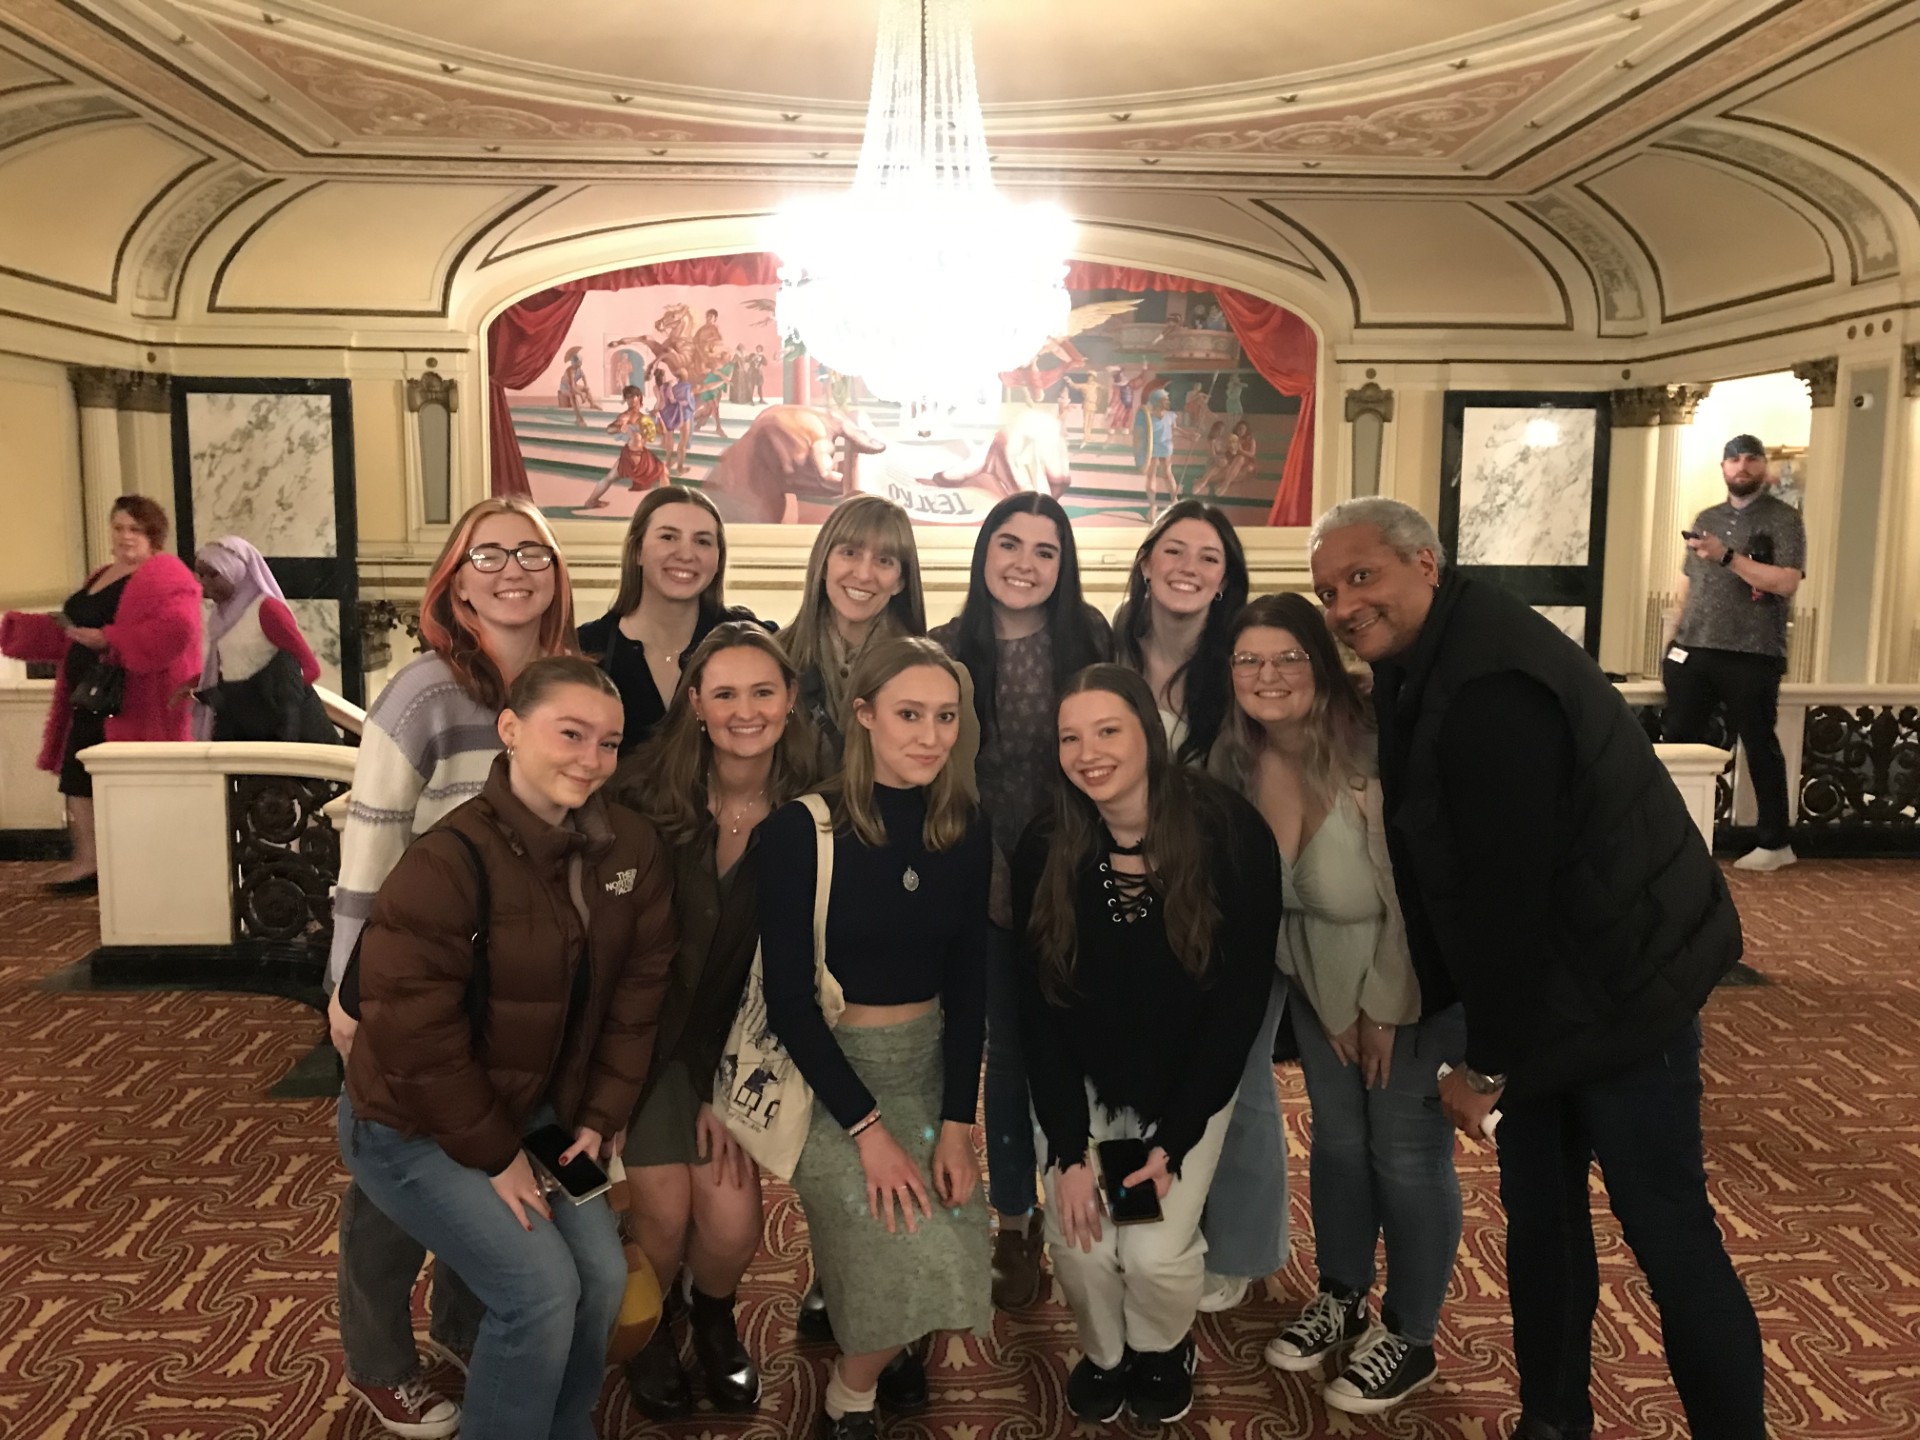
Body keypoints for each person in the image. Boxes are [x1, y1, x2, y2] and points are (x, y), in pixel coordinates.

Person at [1308, 497, 1762, 1440]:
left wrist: (1484, 1068)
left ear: (1424, 564)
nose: (1345, 604)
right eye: (1327, 591)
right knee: (1544, 1232)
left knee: (1669, 1235)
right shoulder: (1424, 658)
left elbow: (1506, 898)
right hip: (1554, 993)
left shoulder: (1489, 686)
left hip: (1625, 993)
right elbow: (1447, 873)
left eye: (1362, 577)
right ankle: (1551, 1423)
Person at [338, 654, 676, 1440]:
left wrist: (598, 1117)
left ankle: (562, 1426)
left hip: (544, 1114)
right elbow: (413, 1038)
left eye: (608, 742)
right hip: (411, 1123)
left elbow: (637, 999)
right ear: (512, 730)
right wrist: (498, 1156)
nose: (590, 759)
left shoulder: (630, 846)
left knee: (598, 1275)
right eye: (570, 734)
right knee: (540, 1290)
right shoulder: (446, 861)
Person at [326, 495, 577, 1438]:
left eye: (532, 555)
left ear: (556, 575)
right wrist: (350, 994)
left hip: (512, 988)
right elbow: (371, 854)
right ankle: (378, 1362)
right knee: (394, 1183)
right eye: (489, 555)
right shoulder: (427, 693)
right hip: (416, 981)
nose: (512, 570)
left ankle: (463, 1326)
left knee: (486, 1152)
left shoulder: (567, 682)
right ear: (455, 578)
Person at [1213, 593, 1462, 1416]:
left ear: (1320, 662)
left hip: (1411, 982)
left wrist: (1385, 1006)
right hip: (1318, 984)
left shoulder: (1373, 747)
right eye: (1249, 659)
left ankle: (1412, 1333)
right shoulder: (1238, 760)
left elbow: (1416, 895)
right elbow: (1263, 907)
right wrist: (1322, 1007)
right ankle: (1343, 1295)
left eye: (1288, 657)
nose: (1268, 675)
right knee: (1340, 1145)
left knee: (1406, 1153)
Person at [1013, 664, 1281, 1427]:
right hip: (1091, 1085)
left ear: (1148, 736)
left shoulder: (1229, 834)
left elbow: (1237, 1009)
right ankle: (1106, 1355)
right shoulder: (1048, 843)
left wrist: (1173, 1138)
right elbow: (1040, 1013)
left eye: (1108, 731)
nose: (1088, 752)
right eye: (1071, 736)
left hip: (1183, 1089)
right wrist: (1066, 1151)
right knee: (1085, 1244)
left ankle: (1162, 1348)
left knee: (1154, 1254)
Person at [759, 637, 992, 1440]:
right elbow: (788, 1002)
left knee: (952, 1227)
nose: (930, 736)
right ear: (862, 716)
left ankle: (884, 1338)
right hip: (828, 1078)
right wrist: (867, 1131)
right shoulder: (802, 832)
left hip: (924, 1067)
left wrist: (958, 1123)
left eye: (945, 717)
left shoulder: (963, 824)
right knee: (902, 1232)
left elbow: (969, 988)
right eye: (908, 715)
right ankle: (849, 1397)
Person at [608, 623, 819, 1420]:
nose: (745, 710)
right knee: (662, 1213)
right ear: (694, 703)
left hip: (744, 1049)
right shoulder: (639, 799)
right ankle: (651, 1327)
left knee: (731, 1227)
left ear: (791, 700)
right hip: (644, 1045)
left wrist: (731, 1086)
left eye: (763, 691)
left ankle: (713, 1317)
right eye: (724, 692)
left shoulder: (816, 811)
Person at [930, 494, 1112, 1311]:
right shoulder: (942, 649)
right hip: (976, 882)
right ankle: (1015, 1218)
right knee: (1003, 1056)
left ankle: (1108, 1195)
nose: (1025, 564)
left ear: (1064, 565)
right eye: (1010, 544)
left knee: (1088, 1041)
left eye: (1046, 550)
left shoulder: (1091, 640)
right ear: (982, 552)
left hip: (1080, 872)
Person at [2, 495, 201, 895]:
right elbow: (73, 629)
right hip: (90, 695)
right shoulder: (102, 575)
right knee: (77, 777)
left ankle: (134, 863)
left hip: (134, 700)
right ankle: (87, 861)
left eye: (135, 529)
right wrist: (19, 630)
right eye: (119, 527)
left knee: (125, 782)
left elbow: (176, 632)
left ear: (153, 535)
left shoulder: (167, 575)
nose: (125, 536)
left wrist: (108, 638)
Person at [1663, 433, 1807, 873]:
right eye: (1734, 460)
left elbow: (1785, 581)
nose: (1741, 467)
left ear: (1762, 467)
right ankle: (1670, 834)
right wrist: (1671, 640)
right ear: (1722, 467)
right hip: (1694, 647)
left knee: (1758, 743)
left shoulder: (1783, 519)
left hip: (1752, 652)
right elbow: (1690, 582)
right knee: (1678, 743)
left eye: (1750, 459)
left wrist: (1728, 556)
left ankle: (1774, 841)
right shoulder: (1707, 516)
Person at [578, 486, 765, 753]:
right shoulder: (586, 648)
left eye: (702, 541)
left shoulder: (750, 640)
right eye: (668, 537)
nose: (686, 554)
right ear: (637, 551)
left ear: (718, 558)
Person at [781, 494, 927, 767]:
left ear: (900, 582)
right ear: (824, 564)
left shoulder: (925, 671)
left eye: (884, 561)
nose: (863, 574)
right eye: (850, 553)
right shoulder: (775, 657)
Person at [1112, 498, 1250, 766]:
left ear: (1223, 580)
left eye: (1208, 558)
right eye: (1174, 552)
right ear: (1146, 565)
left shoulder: (1243, 660)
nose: (1189, 568)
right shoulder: (1115, 638)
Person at [188, 536, 334, 743]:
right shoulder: (220, 616)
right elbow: (233, 668)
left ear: (234, 571)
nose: (204, 583)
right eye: (201, 575)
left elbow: (310, 668)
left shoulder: (267, 609)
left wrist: (278, 701)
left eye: (213, 575)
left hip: (283, 730)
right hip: (245, 723)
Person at [581, 385, 667, 511]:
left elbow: (662, 432)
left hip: (642, 455)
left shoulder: (645, 417)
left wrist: (659, 417)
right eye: (627, 398)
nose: (630, 400)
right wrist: (619, 428)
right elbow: (609, 429)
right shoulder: (625, 416)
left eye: (633, 397)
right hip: (631, 455)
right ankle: (591, 501)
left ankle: (667, 506)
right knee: (610, 477)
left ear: (639, 397)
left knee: (663, 471)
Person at [1141, 389, 1176, 521]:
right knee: (1151, 476)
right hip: (1152, 448)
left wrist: (1190, 436)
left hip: (1166, 447)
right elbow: (1141, 434)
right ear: (1158, 401)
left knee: (1167, 474)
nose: (1168, 401)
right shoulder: (1148, 417)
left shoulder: (1171, 415)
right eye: (1165, 399)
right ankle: (1152, 507)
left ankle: (1175, 501)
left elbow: (1175, 430)